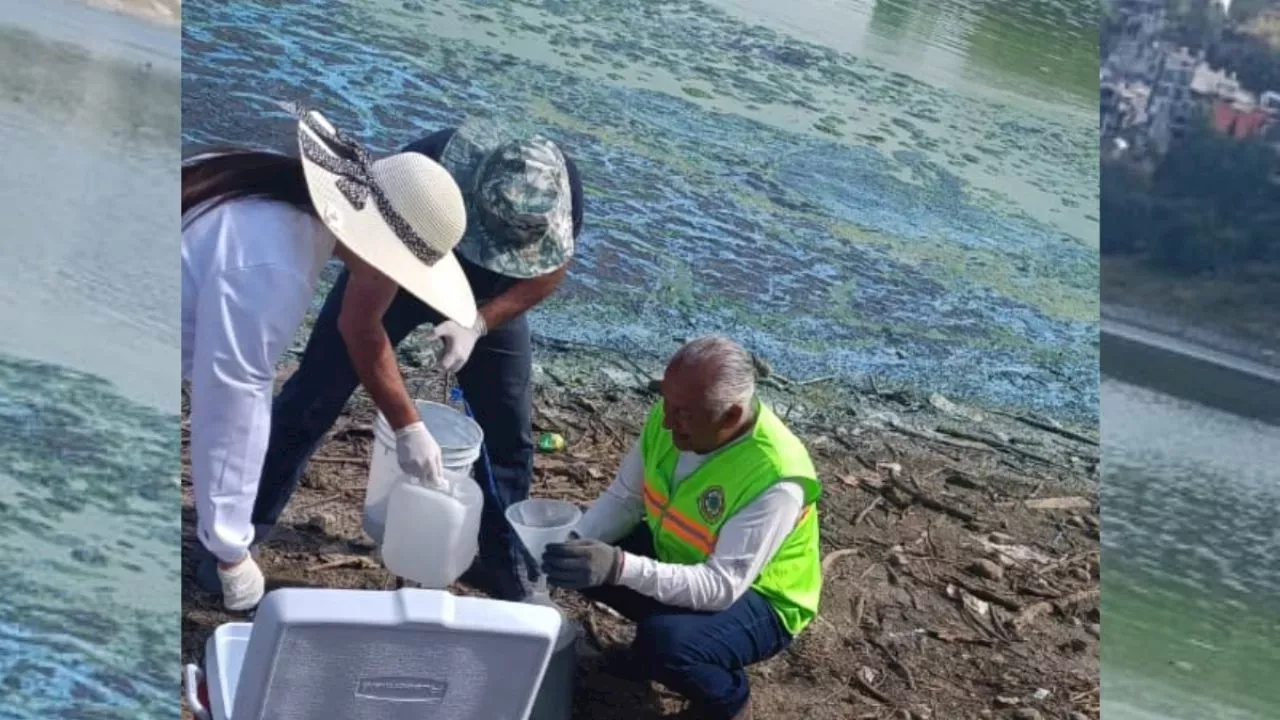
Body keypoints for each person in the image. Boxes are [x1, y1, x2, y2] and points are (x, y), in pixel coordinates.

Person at [200, 117, 584, 601]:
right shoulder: (416, 184)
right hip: (401, 267)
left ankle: (505, 566)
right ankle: (237, 535)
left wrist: (480, 323)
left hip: (489, 302)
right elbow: (360, 326)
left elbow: (553, 267)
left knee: (509, 431)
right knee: (313, 397)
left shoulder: (558, 192)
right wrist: (407, 425)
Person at [181, 105, 478, 611]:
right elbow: (233, 404)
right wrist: (232, 550)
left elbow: (360, 325)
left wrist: (408, 425)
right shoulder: (272, 264)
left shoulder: (263, 190)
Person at [540, 336, 823, 720]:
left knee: (668, 645)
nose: (668, 421)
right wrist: (571, 542)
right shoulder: (671, 415)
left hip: (760, 597)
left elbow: (721, 587)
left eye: (685, 414)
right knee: (581, 551)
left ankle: (727, 699)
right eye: (666, 403)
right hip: (683, 554)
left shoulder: (775, 476)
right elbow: (626, 497)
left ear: (730, 417)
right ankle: (652, 648)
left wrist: (618, 566)